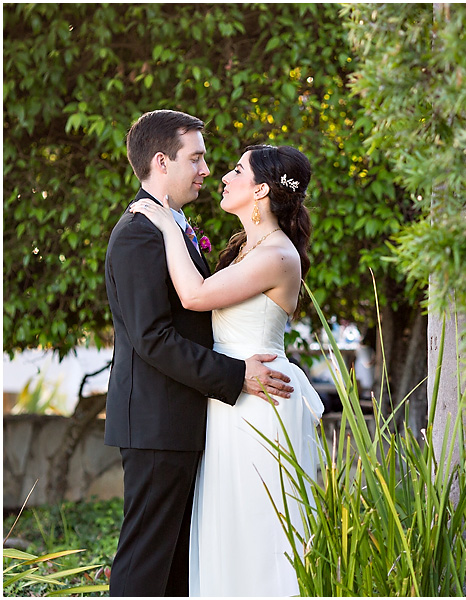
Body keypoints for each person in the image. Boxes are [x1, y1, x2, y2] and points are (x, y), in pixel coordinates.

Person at [104, 110, 295, 597]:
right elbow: (153, 338)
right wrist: (236, 375)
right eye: (198, 158)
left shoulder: (175, 225)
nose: (207, 169)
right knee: (146, 565)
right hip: (156, 423)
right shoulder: (139, 232)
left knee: (178, 569)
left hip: (188, 419)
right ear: (163, 162)